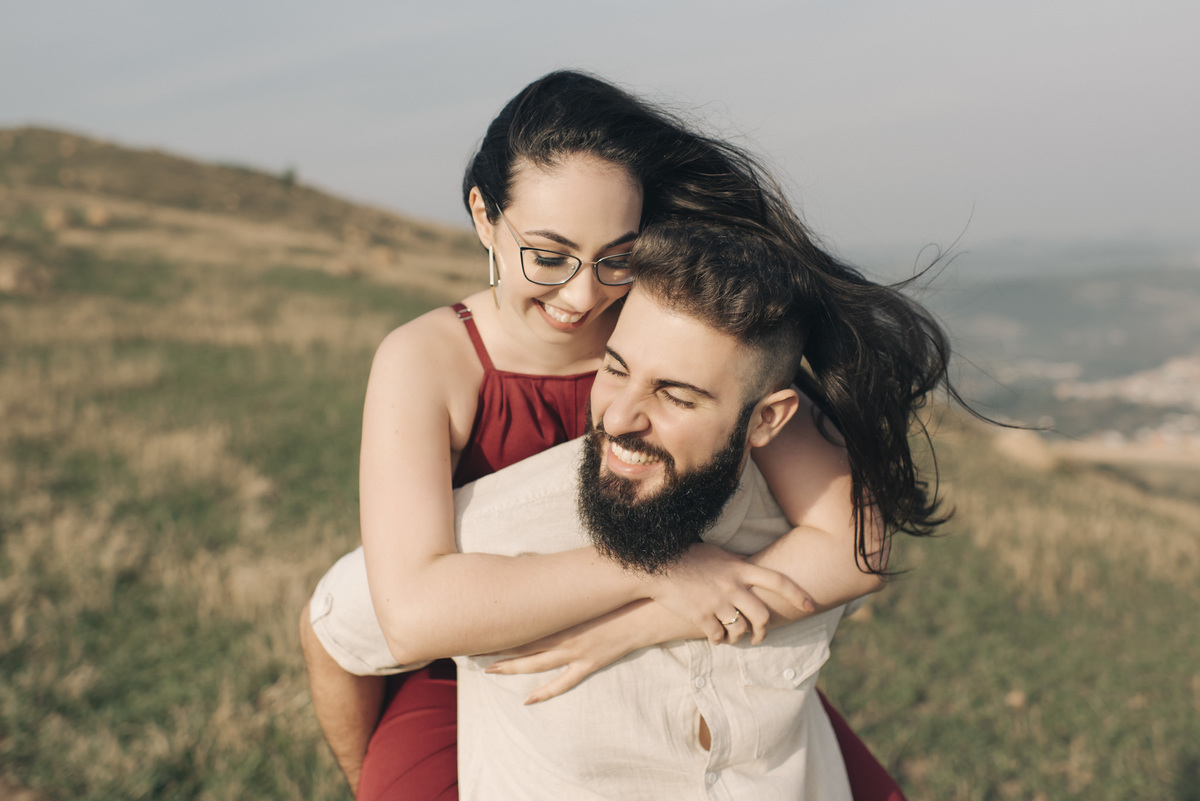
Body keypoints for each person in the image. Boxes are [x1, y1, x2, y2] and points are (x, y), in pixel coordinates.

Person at [300, 70, 945, 801]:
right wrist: (657, 566)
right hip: (485, 661)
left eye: (617, 257)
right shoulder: (427, 359)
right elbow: (414, 615)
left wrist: (649, 619)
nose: (584, 296)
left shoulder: (670, 326)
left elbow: (856, 543)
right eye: (549, 255)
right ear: (483, 215)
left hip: (678, 652)